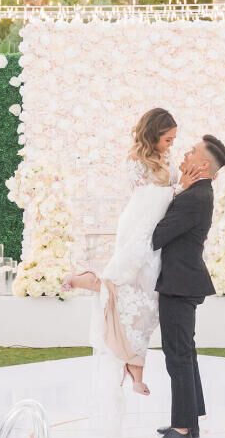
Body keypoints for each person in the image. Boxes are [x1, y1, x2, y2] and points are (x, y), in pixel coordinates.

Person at [62, 108, 179, 399]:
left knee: (147, 303)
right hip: (139, 228)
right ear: (154, 134)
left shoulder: (166, 157)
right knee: (123, 288)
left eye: (173, 139)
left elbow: (165, 192)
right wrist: (178, 190)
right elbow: (146, 199)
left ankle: (133, 366)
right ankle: (82, 280)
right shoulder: (136, 160)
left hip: (155, 233)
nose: (171, 145)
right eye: (167, 139)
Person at [144, 134, 225, 438]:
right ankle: (188, 421)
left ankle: (181, 430)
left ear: (202, 164)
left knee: (177, 356)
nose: (185, 153)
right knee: (184, 355)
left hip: (179, 284)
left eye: (192, 151)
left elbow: (159, 235)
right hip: (183, 281)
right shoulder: (200, 192)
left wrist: (176, 194)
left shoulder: (194, 197)